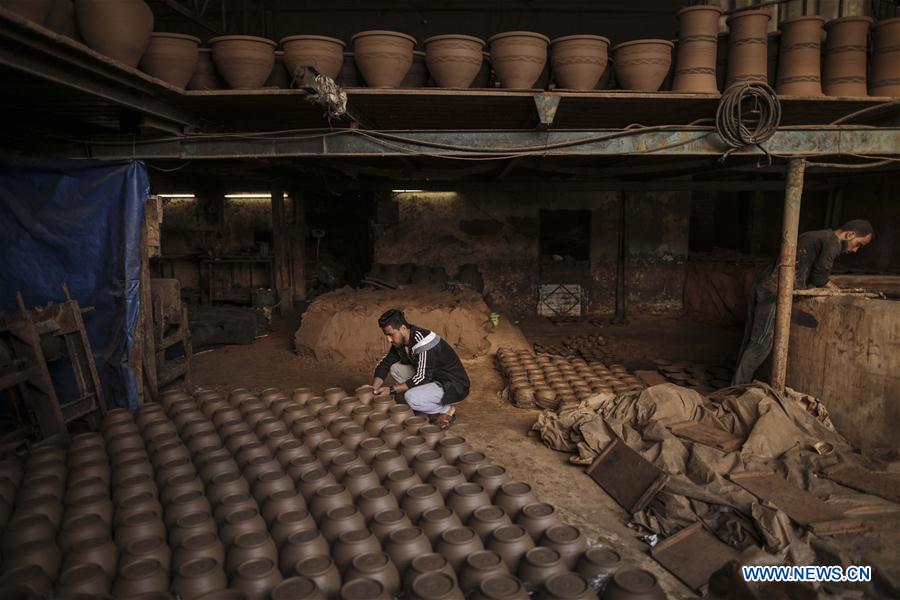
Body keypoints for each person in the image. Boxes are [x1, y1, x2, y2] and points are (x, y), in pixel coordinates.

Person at [732, 220, 874, 385]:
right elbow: (819, 278)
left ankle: (736, 384)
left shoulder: (818, 235)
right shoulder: (833, 243)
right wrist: (836, 289)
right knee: (761, 344)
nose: (855, 250)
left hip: (764, 284)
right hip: (773, 292)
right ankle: (737, 387)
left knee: (752, 338)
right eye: (858, 244)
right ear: (850, 234)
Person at [371, 309, 470, 429]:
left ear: (403, 328)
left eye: (391, 334)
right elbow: (385, 363)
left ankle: (446, 409)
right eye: (386, 335)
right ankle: (424, 403)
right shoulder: (401, 340)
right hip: (433, 377)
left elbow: (422, 377)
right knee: (395, 368)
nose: (389, 340)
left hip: (452, 384)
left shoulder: (423, 342)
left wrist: (392, 390)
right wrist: (374, 389)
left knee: (411, 398)